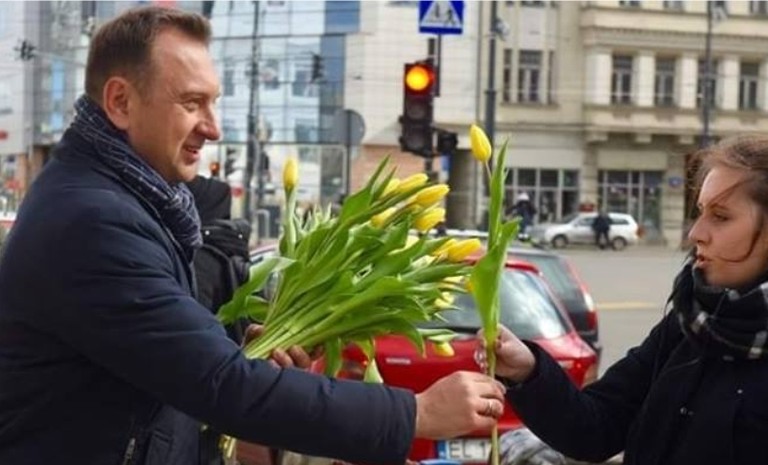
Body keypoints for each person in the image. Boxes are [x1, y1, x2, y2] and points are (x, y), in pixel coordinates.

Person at [0, 6, 506, 465]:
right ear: (120, 101)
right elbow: (221, 386)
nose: (213, 128)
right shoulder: (94, 221)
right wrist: (414, 413)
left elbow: (160, 369)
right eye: (192, 102)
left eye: (213, 103)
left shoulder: (131, 201)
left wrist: (230, 350)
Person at [478, 135, 768, 465]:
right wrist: (528, 370)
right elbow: (597, 426)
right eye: (700, 212)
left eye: (721, 216)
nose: (696, 233)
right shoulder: (689, 323)